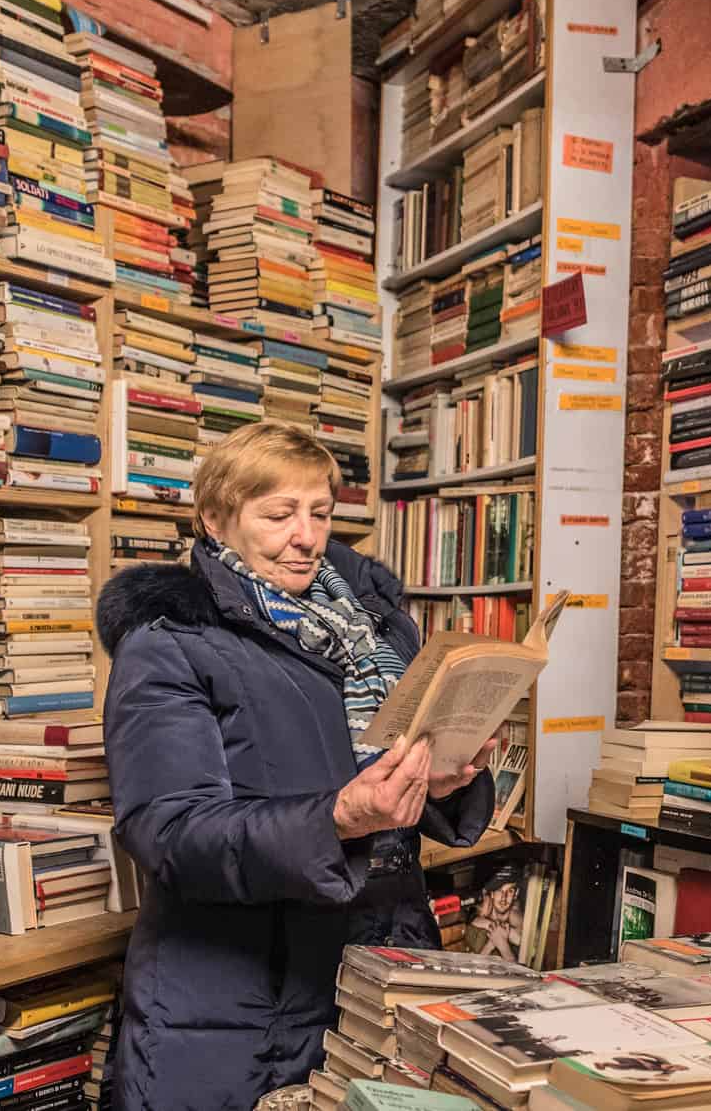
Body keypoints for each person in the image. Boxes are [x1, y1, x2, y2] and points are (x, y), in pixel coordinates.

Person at [96, 421, 498, 1111]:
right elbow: (169, 830)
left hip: (383, 970)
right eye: (279, 514)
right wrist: (335, 817)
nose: (307, 536)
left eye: (320, 512)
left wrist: (439, 782)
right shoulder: (169, 643)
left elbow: (368, 782)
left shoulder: (372, 629)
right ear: (216, 520)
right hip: (239, 1002)